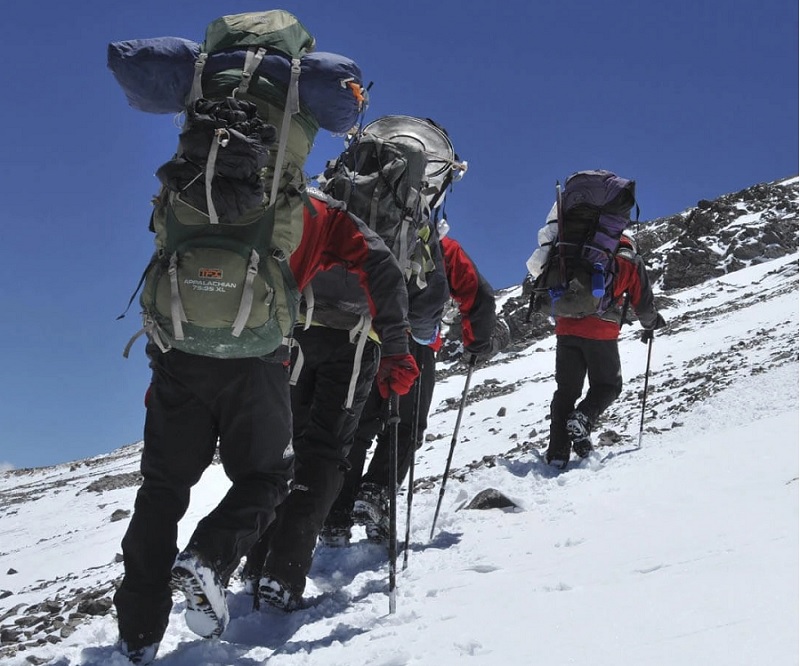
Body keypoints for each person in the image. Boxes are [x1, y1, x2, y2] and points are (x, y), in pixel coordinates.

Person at [113, 188, 419, 664]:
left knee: (161, 488)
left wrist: (161, 361)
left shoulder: (194, 184)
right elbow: (381, 266)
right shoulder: (313, 210)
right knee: (269, 476)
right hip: (257, 362)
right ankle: (211, 556)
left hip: (179, 359)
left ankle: (136, 636)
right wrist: (396, 347)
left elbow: (166, 265)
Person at [236, 193, 421, 611]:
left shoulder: (330, 199)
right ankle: (283, 574)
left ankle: (255, 565)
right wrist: (398, 347)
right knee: (326, 450)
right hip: (357, 339)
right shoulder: (405, 219)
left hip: (299, 329)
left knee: (287, 446)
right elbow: (411, 294)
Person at [322, 232, 503, 545]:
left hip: (361, 337)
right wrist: (477, 342)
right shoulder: (440, 246)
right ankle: (375, 494)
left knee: (357, 428)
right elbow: (478, 293)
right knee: (406, 425)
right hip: (413, 341)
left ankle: (336, 514)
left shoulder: (365, 231)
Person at [545, 230, 666, 469]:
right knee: (608, 385)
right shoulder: (629, 259)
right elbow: (642, 302)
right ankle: (583, 418)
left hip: (566, 327)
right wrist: (651, 323)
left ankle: (557, 453)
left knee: (566, 391)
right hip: (601, 331)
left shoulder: (577, 248)